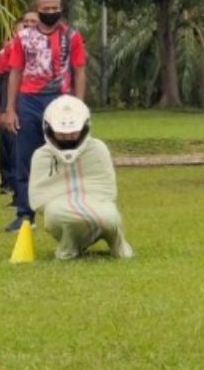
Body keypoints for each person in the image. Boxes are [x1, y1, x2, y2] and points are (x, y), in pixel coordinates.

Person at [0, 0, 87, 233]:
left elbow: (80, 70)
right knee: (25, 157)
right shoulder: (23, 38)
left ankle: (66, 209)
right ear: (37, 10)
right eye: (46, 9)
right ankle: (25, 214)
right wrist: (10, 109)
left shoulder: (72, 36)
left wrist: (78, 105)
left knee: (64, 155)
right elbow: (15, 71)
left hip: (60, 100)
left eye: (55, 8)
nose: (52, 12)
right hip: (29, 101)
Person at [28, 95, 134, 260]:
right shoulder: (41, 156)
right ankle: (68, 249)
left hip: (97, 201)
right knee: (57, 213)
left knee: (110, 216)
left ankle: (118, 245)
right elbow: (39, 199)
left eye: (73, 133)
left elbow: (107, 190)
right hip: (58, 208)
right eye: (62, 134)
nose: (68, 137)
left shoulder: (98, 149)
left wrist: (92, 204)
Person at [0, 13, 37, 200]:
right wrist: (1, 108)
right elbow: (2, 79)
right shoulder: (9, 50)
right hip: (14, 103)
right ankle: (12, 185)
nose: (27, 27)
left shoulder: (50, 45)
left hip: (35, 102)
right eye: (24, 24)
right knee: (10, 145)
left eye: (32, 22)